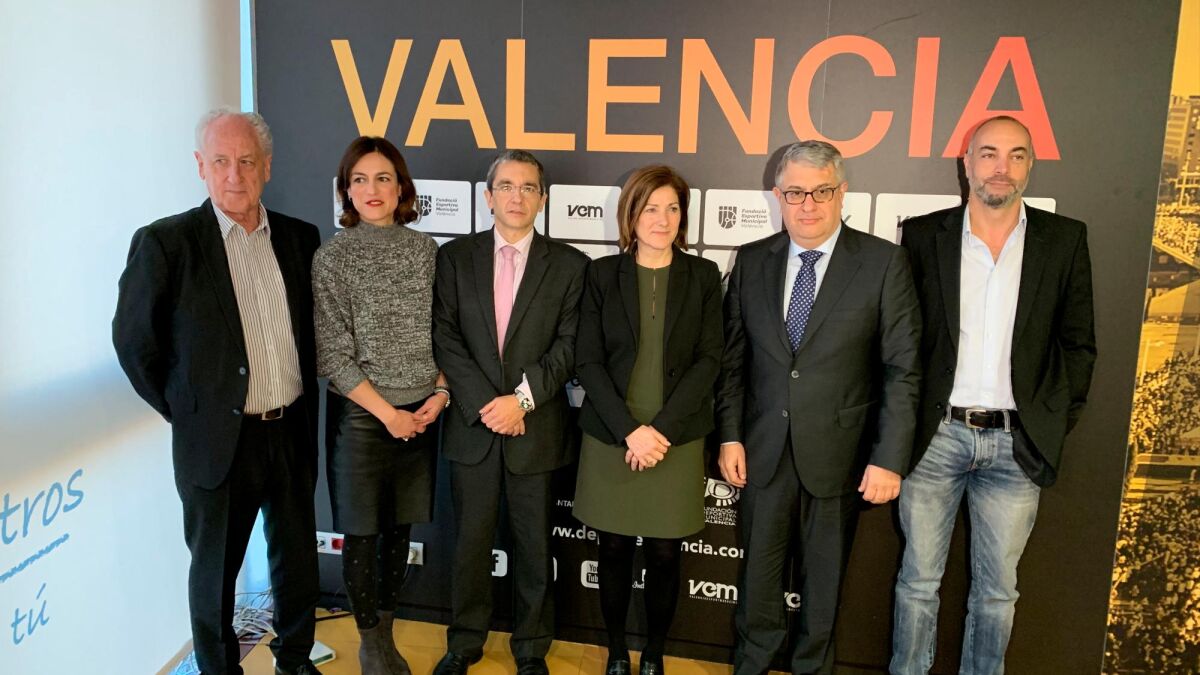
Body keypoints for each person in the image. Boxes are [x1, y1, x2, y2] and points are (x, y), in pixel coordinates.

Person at [113, 108, 321, 675]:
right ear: (200, 166)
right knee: (215, 574)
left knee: (297, 561)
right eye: (221, 161)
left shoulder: (300, 239)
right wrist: (188, 409)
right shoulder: (167, 243)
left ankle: (294, 659)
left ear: (267, 167)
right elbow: (134, 344)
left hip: (290, 428)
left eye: (247, 161)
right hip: (217, 439)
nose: (235, 175)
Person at [890, 115, 1096, 675]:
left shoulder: (1064, 239)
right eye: (988, 154)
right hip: (935, 439)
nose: (1001, 167)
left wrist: (1050, 420)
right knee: (917, 583)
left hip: (1016, 444)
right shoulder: (924, 236)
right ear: (967, 163)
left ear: (1031, 164)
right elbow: (902, 342)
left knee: (998, 593)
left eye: (1016, 154)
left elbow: (1078, 344)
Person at [716, 140, 922, 675]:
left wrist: (889, 458)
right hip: (762, 453)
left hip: (840, 456)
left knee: (823, 591)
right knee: (757, 586)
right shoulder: (752, 261)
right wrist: (730, 435)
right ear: (778, 195)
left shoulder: (883, 263)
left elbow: (902, 370)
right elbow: (733, 362)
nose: (807, 205)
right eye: (795, 193)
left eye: (821, 192)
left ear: (841, 192)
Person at [431, 149, 589, 675]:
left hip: (536, 428)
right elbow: (445, 337)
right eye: (506, 186)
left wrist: (519, 402)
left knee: (533, 546)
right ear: (488, 196)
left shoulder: (570, 265)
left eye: (527, 187)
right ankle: (464, 643)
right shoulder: (455, 258)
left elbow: (569, 345)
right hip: (473, 428)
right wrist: (489, 405)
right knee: (469, 545)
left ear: (542, 199)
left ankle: (531, 649)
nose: (516, 196)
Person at [572, 165, 724, 675]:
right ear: (631, 215)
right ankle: (617, 651)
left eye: (673, 208)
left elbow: (709, 359)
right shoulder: (600, 274)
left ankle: (654, 653)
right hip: (612, 434)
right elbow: (588, 360)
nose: (663, 219)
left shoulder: (703, 276)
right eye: (651, 208)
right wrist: (630, 431)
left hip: (675, 437)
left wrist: (659, 432)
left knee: (664, 553)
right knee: (613, 548)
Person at [312, 136, 449, 674]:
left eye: (383, 178)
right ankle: (369, 643)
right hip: (362, 420)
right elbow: (332, 352)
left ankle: (386, 634)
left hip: (421, 413)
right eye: (360, 179)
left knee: (399, 532)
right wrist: (388, 414)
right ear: (346, 190)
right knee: (363, 536)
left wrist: (440, 393)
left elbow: (445, 332)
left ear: (401, 188)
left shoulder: (425, 251)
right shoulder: (332, 257)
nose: (372, 189)